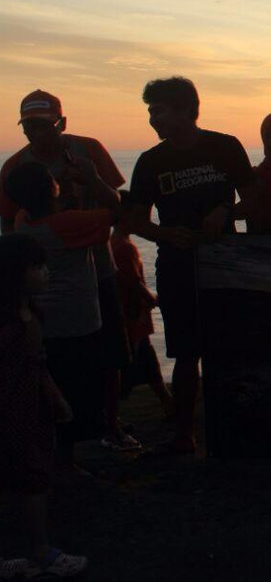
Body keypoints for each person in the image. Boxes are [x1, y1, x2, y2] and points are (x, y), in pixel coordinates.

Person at [0, 89, 132, 454]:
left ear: (61, 123)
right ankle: (65, 433)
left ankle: (109, 424)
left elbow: (116, 199)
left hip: (98, 269)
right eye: (29, 126)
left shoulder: (88, 150)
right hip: (48, 286)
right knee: (55, 358)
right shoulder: (15, 167)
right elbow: (8, 225)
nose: (35, 133)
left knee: (109, 353)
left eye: (43, 125)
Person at [127, 77, 254, 455]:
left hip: (224, 265)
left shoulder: (225, 147)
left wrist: (227, 210)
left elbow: (256, 199)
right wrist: (165, 234)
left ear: (185, 110)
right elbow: (134, 220)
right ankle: (184, 435)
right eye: (150, 112)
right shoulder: (151, 161)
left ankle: (233, 430)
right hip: (177, 266)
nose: (153, 120)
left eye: (159, 111)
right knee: (185, 353)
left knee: (229, 349)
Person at [6, 159, 121, 470]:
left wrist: (56, 187)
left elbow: (49, 208)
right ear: (50, 189)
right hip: (77, 320)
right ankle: (66, 461)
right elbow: (118, 209)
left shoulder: (22, 220)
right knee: (78, 388)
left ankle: (52, 454)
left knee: (50, 385)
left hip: (44, 320)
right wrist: (93, 178)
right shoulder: (69, 223)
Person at [0, 233, 88, 580]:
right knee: (30, 476)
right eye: (37, 267)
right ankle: (40, 549)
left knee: (34, 473)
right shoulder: (14, 319)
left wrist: (55, 397)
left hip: (27, 405)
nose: (46, 273)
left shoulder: (29, 314)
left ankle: (38, 548)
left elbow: (37, 363)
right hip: (12, 406)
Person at [111, 192, 174, 419]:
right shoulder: (123, 247)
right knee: (139, 364)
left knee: (146, 364)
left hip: (132, 317)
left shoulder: (116, 244)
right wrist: (152, 298)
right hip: (132, 318)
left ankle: (168, 404)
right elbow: (133, 282)